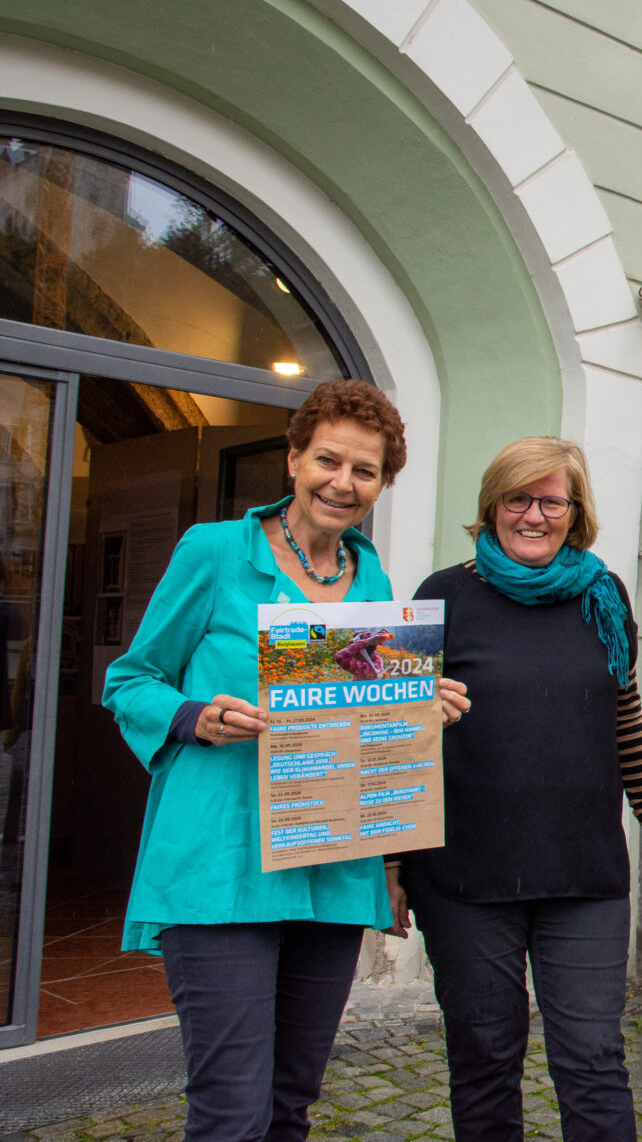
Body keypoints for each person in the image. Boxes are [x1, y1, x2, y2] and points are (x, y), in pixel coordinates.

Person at [103, 379, 469, 1142]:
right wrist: (194, 715)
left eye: (364, 471)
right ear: (295, 459)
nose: (343, 482)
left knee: (289, 1104)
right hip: (219, 863)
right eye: (328, 460)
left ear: (380, 485)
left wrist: (415, 706)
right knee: (231, 1110)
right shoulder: (214, 552)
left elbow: (364, 722)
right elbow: (129, 679)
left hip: (329, 865)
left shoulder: (370, 579)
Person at [391, 437, 642, 1142]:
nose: (533, 515)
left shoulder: (604, 596)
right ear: (492, 506)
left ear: (576, 513)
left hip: (585, 874)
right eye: (518, 498)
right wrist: (388, 865)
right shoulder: (441, 596)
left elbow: (622, 708)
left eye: (551, 501)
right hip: (465, 877)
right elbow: (399, 738)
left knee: (595, 1060)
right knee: (482, 1059)